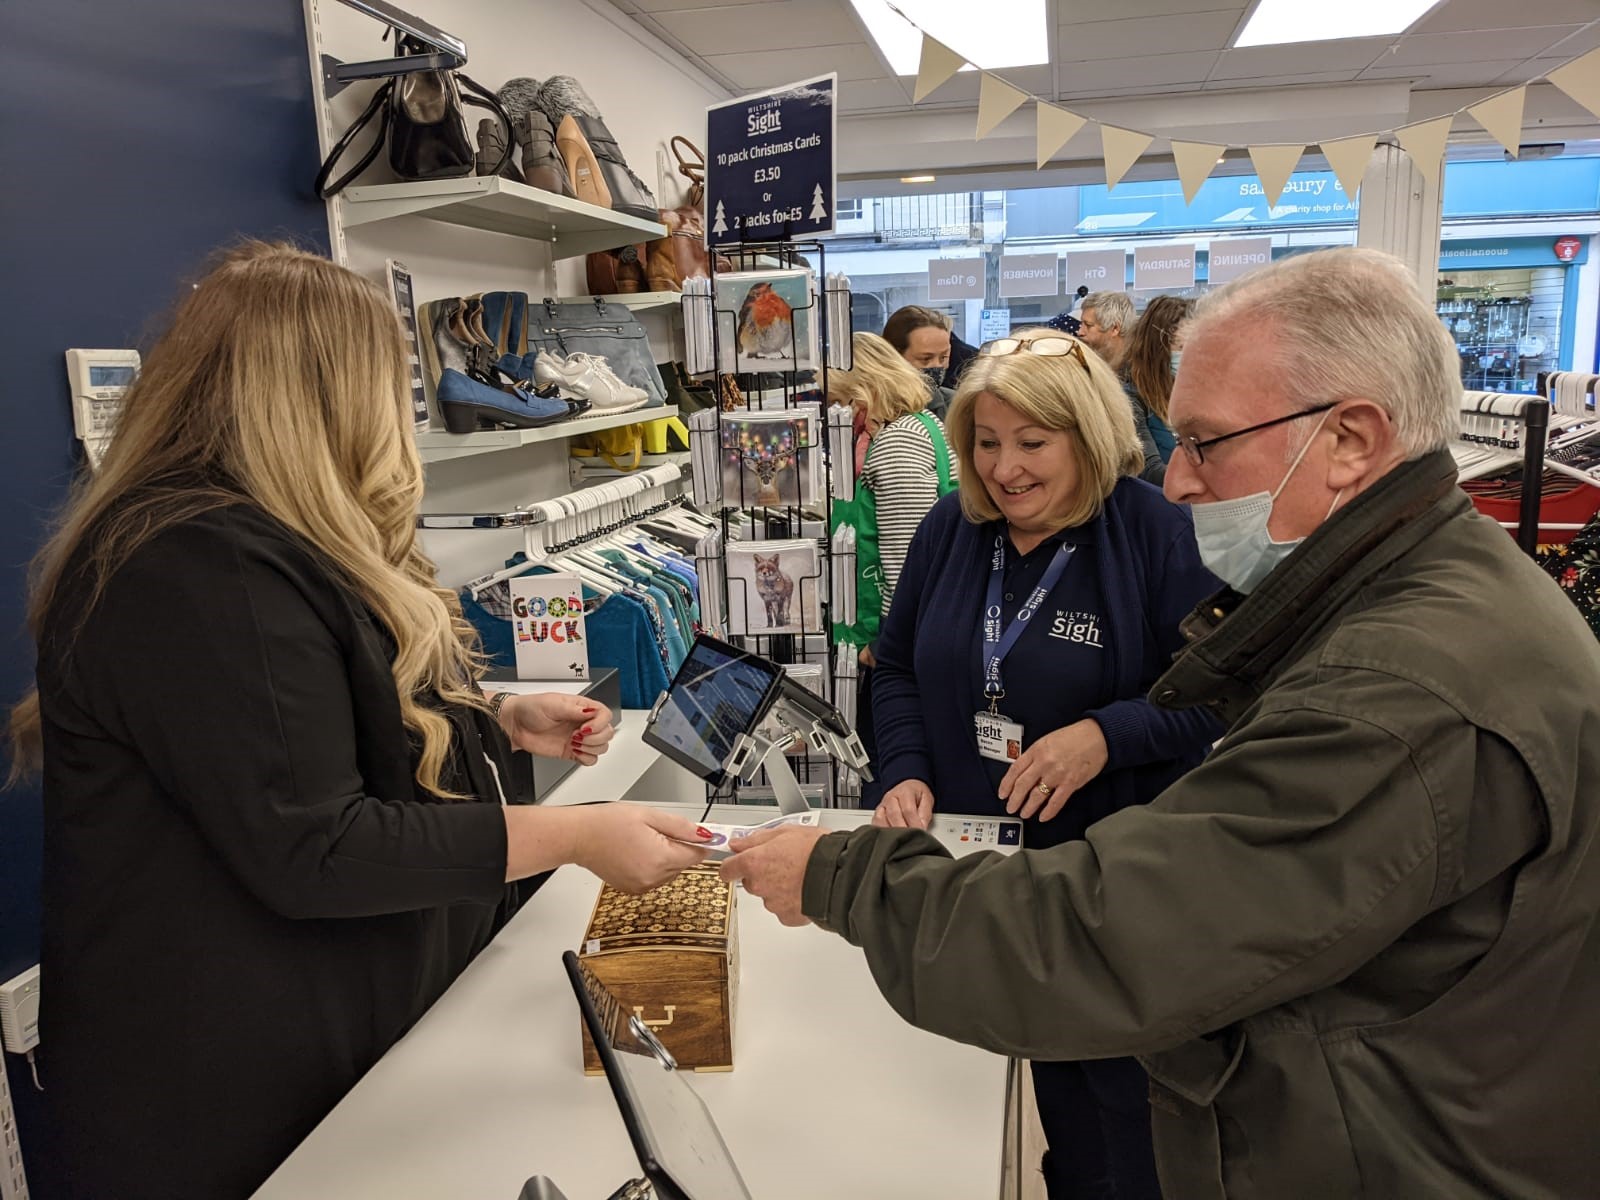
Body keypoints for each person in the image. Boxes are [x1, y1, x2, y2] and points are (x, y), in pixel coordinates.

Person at [722, 248, 1600, 1198]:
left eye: (1206, 442)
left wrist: (840, 874)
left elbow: (1118, 936)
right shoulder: (1404, 598)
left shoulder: (1402, 685)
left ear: (1350, 439)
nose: (1181, 480)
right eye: (988, 441)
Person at [6, 243, 712, 1200]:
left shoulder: (280, 535)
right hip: (233, 1108)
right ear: (324, 395)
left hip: (333, 1056)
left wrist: (499, 715)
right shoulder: (197, 564)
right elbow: (316, 843)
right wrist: (580, 835)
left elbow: (306, 719)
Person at [866, 327, 1221, 1198]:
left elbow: (1221, 693)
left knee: (1126, 1111)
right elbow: (899, 666)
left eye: (1033, 443)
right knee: (1038, 1085)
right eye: (985, 443)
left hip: (1113, 890)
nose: (1004, 469)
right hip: (981, 871)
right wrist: (904, 766)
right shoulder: (953, 528)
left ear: (1090, 436)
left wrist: (1108, 734)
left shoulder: (1154, 533)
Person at [830, 333, 958, 803]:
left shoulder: (896, 444)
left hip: (907, 633)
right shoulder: (924, 426)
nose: (834, 417)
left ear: (861, 393)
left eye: (838, 403)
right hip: (929, 624)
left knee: (893, 763)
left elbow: (907, 556)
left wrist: (885, 643)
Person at [1120, 294, 1191, 484]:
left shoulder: (1203, 395)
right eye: (1181, 347)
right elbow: (1149, 471)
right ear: (1158, 349)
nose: (1189, 356)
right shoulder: (1132, 399)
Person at [881, 304, 955, 418]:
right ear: (894, 356)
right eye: (926, 359)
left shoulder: (954, 406)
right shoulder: (872, 408)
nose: (937, 366)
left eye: (943, 357)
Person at [1078, 290, 1134, 372]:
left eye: (1088, 325)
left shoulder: (1139, 374)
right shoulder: (1084, 365)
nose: (1080, 332)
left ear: (1115, 329)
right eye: (1081, 324)